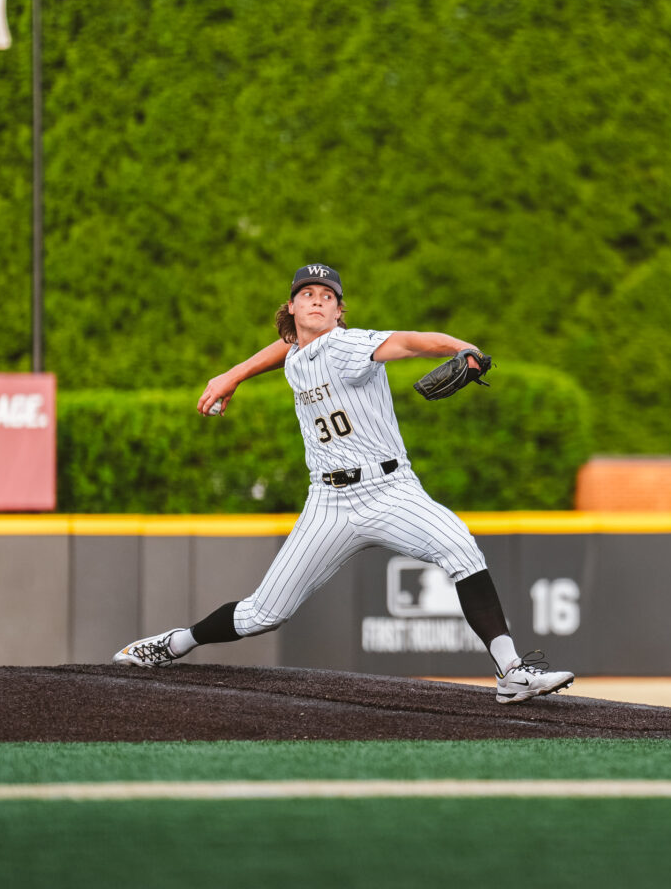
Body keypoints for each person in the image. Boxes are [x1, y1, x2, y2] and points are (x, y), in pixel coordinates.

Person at [113, 264, 574, 704]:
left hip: (390, 491)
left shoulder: (349, 346)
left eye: (327, 296)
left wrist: (462, 347)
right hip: (328, 503)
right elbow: (284, 350)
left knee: (460, 546)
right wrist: (233, 375)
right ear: (292, 309)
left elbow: (411, 342)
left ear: (339, 311)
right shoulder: (295, 353)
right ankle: (175, 643)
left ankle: (511, 672)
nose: (317, 301)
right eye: (307, 295)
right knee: (263, 614)